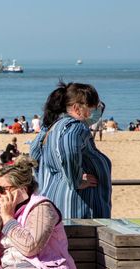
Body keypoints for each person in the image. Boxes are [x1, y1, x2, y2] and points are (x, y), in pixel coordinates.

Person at [30, 82, 112, 219]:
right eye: (93, 107)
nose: (97, 112)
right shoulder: (74, 126)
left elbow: (34, 156)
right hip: (77, 208)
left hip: (56, 202)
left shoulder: (51, 127)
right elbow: (69, 150)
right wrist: (77, 179)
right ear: (77, 108)